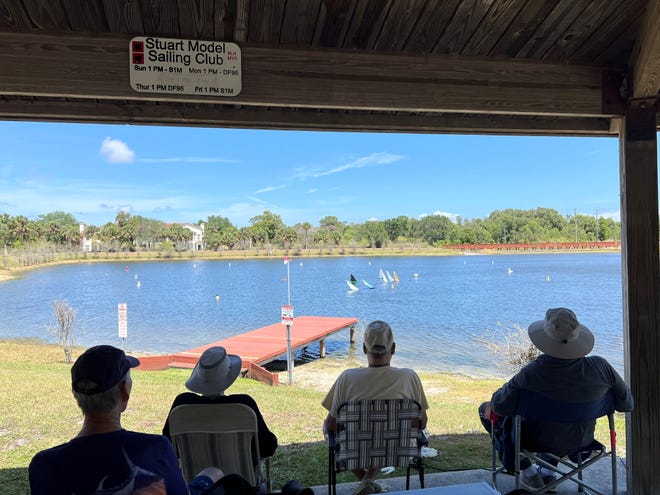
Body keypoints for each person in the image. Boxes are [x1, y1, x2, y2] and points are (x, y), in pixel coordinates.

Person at [29, 344, 222, 495]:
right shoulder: (155, 450)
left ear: (75, 394)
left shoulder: (44, 465)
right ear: (124, 391)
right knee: (213, 473)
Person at [479, 308, 634, 491]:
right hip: (581, 440)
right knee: (560, 424)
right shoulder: (601, 367)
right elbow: (627, 404)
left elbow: (498, 406)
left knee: (485, 409)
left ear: (545, 338)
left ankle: (529, 472)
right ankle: (547, 472)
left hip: (534, 440)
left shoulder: (532, 373)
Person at [322, 320, 429, 495]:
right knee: (384, 431)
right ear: (393, 348)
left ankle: (366, 481)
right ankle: (369, 480)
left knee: (329, 428)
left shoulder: (347, 378)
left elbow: (332, 426)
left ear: (364, 349)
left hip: (355, 450)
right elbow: (421, 423)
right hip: (396, 449)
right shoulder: (409, 377)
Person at [163, 346, 278, 459]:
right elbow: (267, 448)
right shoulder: (243, 405)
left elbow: (169, 445)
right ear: (229, 376)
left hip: (195, 476)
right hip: (239, 476)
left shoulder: (182, 404)